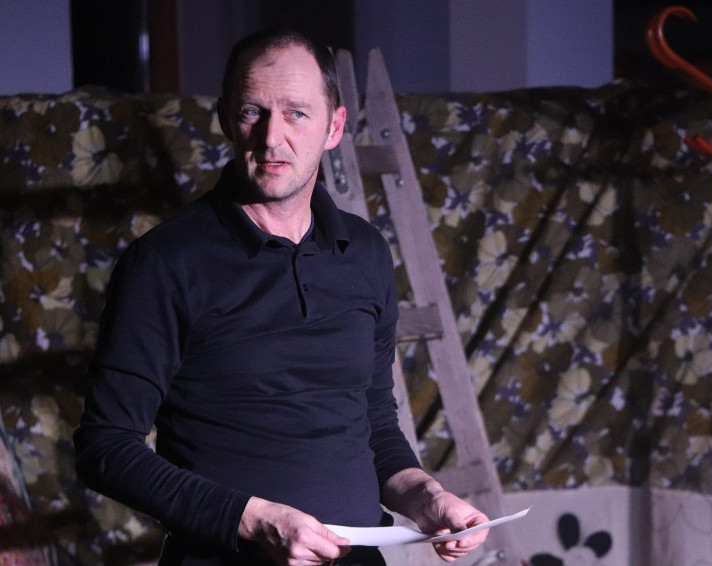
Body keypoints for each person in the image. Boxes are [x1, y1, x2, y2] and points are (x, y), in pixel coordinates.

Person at [74, 27, 489, 566]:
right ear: (226, 119)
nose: (272, 138)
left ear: (334, 126)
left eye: (297, 113)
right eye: (253, 111)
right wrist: (252, 519)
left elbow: (372, 420)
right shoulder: (165, 263)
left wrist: (425, 496)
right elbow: (105, 447)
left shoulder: (364, 252)